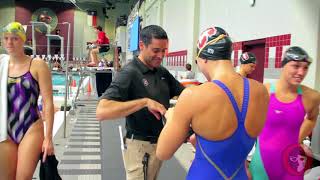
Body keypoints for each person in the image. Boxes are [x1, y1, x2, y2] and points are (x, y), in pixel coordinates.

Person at [156, 26, 270, 180]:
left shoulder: (193, 95)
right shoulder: (261, 91)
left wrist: (171, 117)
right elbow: (233, 143)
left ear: (203, 58)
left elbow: (163, 152)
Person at [96, 25, 184, 180]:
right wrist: (144, 102)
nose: (161, 55)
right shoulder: (129, 73)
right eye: (156, 50)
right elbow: (102, 111)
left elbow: (184, 94)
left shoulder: (161, 72)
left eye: (164, 50)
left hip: (158, 145)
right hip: (139, 148)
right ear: (142, 46)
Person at [249, 46, 320, 179]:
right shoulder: (264, 92)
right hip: (262, 163)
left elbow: (311, 119)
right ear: (284, 65)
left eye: (305, 68)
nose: (301, 72)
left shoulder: (312, 97)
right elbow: (248, 125)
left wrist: (297, 139)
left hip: (291, 165)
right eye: (296, 66)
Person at [0, 22, 55, 180]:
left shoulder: (37, 65)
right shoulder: (1, 65)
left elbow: (48, 102)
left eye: (15, 38)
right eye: (6, 38)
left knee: (23, 178)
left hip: (31, 127)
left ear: (23, 40)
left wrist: (48, 138)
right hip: (5, 128)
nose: (10, 42)